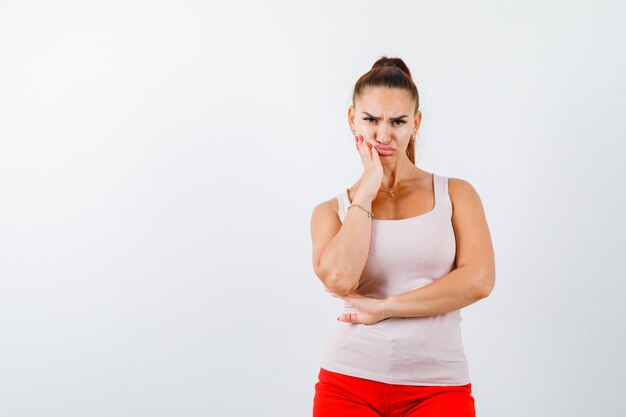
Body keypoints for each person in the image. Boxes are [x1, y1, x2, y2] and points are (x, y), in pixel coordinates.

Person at [309, 56, 495, 416]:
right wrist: (365, 193)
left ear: (416, 122)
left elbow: (479, 281)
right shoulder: (330, 211)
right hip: (348, 382)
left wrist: (386, 307)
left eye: (398, 121)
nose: (383, 135)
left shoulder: (456, 194)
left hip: (438, 387)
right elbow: (340, 278)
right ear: (352, 120)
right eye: (371, 120)